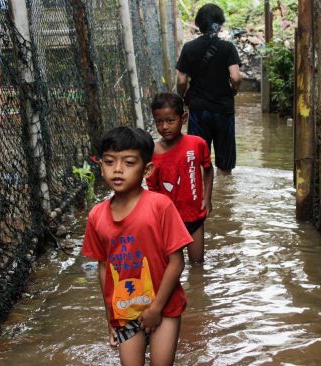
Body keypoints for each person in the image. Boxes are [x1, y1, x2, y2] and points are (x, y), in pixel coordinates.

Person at [82, 127, 192, 366]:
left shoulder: (160, 206)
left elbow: (177, 261)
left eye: (129, 163)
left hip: (164, 307)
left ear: (147, 169)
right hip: (124, 311)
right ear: (101, 166)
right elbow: (104, 269)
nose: (118, 170)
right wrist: (110, 318)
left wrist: (156, 308)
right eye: (110, 162)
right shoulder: (96, 216)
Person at [146, 92, 214, 264]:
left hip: (195, 216)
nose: (164, 127)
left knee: (197, 265)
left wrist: (207, 198)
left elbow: (208, 169)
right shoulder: (152, 153)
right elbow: (152, 188)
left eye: (170, 120)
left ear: (183, 118)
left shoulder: (197, 144)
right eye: (159, 122)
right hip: (169, 220)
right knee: (172, 266)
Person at [176, 3, 242, 176]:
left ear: (198, 24)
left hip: (199, 110)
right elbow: (236, 77)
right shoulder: (228, 48)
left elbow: (181, 80)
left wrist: (182, 98)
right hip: (223, 110)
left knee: (198, 160)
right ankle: (225, 198)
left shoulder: (188, 48)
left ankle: (201, 197)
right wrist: (233, 90)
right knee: (225, 165)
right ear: (219, 24)